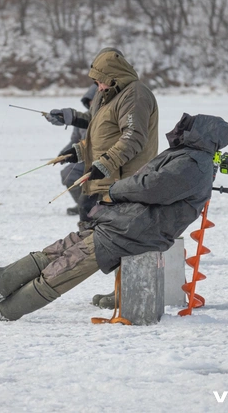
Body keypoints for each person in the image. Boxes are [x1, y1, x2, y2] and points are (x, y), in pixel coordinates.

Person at [0, 114, 228, 321]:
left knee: (72, 262)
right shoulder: (187, 156)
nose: (179, 128)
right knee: (64, 248)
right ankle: (2, 282)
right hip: (129, 221)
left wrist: (114, 190)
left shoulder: (192, 164)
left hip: (136, 229)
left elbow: (152, 186)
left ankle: (12, 308)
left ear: (201, 133)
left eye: (188, 126)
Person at [44, 47, 160, 308]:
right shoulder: (106, 93)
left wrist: (105, 164)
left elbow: (133, 136)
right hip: (110, 178)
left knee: (125, 237)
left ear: (114, 76)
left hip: (130, 178)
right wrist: (71, 120)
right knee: (113, 235)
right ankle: (122, 290)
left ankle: (129, 292)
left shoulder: (136, 95)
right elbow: (100, 125)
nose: (96, 86)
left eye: (99, 80)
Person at [58, 84, 98, 217]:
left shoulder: (109, 118)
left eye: (95, 100)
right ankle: (81, 204)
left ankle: (97, 206)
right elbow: (74, 141)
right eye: (90, 102)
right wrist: (64, 154)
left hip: (102, 160)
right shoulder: (82, 118)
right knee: (68, 174)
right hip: (83, 159)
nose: (92, 104)